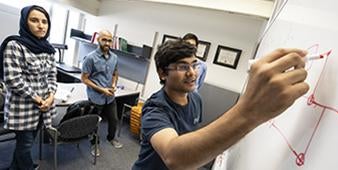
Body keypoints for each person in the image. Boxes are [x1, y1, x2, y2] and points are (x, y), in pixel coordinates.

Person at [132, 40, 309, 169]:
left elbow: (190, 138)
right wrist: (250, 111)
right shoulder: (155, 108)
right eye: (182, 67)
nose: (192, 73)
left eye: (194, 65)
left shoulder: (195, 99)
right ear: (163, 73)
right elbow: (174, 156)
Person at [0, 5, 57, 170]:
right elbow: (13, 79)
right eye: (34, 20)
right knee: (25, 145)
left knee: (27, 143)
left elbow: (52, 76)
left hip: (44, 108)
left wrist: (51, 96)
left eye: (44, 21)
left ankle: (13, 168)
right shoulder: (14, 45)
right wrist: (39, 99)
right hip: (23, 108)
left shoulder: (48, 49)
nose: (41, 25)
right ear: (25, 22)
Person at [81, 29, 123, 157]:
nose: (107, 43)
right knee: (95, 122)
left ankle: (111, 138)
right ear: (98, 40)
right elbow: (84, 78)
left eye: (109, 40)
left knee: (114, 119)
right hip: (95, 97)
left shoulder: (114, 58)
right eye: (104, 39)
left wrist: (114, 84)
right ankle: (94, 143)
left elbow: (115, 73)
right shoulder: (90, 58)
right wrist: (101, 89)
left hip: (110, 97)